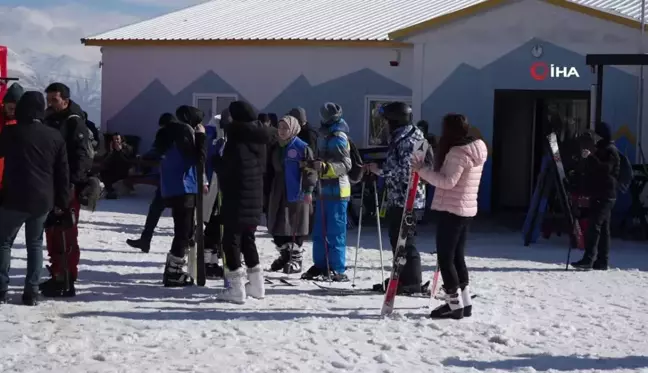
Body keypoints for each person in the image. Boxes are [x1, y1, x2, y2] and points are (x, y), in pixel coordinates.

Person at [413, 113, 487, 320]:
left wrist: (422, 171)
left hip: (451, 209)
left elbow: (448, 182)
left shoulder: (457, 153)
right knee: (457, 257)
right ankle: (465, 302)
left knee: (446, 258)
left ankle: (453, 305)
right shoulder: (478, 147)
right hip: (466, 208)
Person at [0, 91, 70, 305]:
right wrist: (63, 202)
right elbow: (62, 173)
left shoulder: (10, 133)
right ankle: (31, 292)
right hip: (42, 200)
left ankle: (1, 288)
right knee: (35, 244)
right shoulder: (54, 136)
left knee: (3, 243)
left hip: (13, 197)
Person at [366, 102, 431, 294]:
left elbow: (406, 170)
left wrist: (380, 170)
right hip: (400, 197)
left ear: (395, 120)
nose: (385, 125)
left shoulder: (410, 140)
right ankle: (401, 277)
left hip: (408, 199)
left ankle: (411, 281)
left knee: (405, 241)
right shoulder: (408, 136)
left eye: (387, 120)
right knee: (397, 240)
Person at [213, 101, 274, 303]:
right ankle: (257, 286)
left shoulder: (236, 139)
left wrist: (216, 160)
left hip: (236, 195)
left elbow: (229, 170)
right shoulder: (260, 137)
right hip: (254, 195)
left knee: (230, 240)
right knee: (248, 237)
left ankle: (236, 289)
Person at [40, 82, 93, 297]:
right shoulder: (50, 119)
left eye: (54, 99)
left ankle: (67, 277)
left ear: (66, 100)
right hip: (51, 184)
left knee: (66, 231)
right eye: (48, 99)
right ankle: (57, 273)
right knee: (52, 231)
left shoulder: (74, 123)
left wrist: (71, 185)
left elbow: (81, 158)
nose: (50, 103)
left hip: (68, 187)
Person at [155, 106, 205, 287]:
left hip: (172, 186)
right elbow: (197, 159)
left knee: (183, 229)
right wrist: (201, 138)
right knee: (184, 231)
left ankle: (173, 268)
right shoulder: (184, 132)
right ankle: (173, 272)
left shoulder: (168, 132)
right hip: (185, 186)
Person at [301, 102, 352, 282]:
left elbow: (346, 165)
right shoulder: (324, 135)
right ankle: (321, 264)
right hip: (323, 189)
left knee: (335, 231)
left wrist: (324, 167)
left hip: (338, 191)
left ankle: (337, 267)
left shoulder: (338, 137)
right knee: (319, 230)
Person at [266, 115, 317, 274]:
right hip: (278, 187)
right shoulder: (275, 146)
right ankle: (285, 254)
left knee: (295, 222)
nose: (281, 131)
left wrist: (308, 189)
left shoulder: (301, 147)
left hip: (296, 187)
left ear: (293, 129)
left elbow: (310, 170)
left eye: (285, 128)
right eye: (280, 128)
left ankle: (296, 258)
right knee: (278, 222)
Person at [571, 121, 620, 270]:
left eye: (597, 134)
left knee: (594, 226)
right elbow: (592, 170)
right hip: (599, 193)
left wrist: (591, 157)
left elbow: (605, 169)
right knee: (603, 229)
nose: (596, 138)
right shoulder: (600, 149)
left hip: (606, 194)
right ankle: (602, 261)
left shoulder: (611, 151)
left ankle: (588, 259)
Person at [126, 113, 176, 253]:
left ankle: (146, 240)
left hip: (167, 179)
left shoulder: (164, 133)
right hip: (182, 181)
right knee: (181, 216)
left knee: (155, 210)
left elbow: (156, 150)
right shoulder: (185, 133)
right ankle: (183, 246)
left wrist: (143, 158)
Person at [0, 83, 24, 190]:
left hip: (11, 177)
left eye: (16, 109)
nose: (13, 112)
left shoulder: (23, 122)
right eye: (10, 108)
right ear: (4, 104)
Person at [100, 133, 134, 199]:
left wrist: (120, 151)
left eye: (117, 139)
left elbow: (126, 161)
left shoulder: (127, 148)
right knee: (104, 173)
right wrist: (110, 152)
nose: (116, 141)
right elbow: (106, 161)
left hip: (123, 170)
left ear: (121, 140)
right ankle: (110, 191)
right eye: (114, 139)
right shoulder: (112, 149)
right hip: (113, 170)